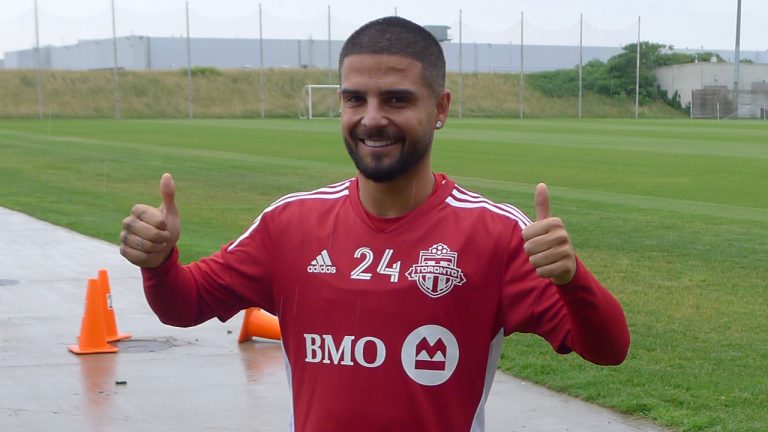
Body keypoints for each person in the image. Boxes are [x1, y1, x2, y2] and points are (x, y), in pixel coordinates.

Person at [119, 16, 630, 432]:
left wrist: (571, 277)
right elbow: (183, 305)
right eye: (354, 99)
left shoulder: (495, 233)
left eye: (397, 99)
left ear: (440, 108)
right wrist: (159, 263)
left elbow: (608, 349)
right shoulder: (290, 223)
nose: (371, 118)